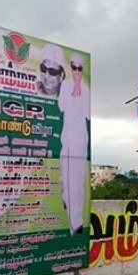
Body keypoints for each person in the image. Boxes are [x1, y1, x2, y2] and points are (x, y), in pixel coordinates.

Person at [58, 52, 90, 236]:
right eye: (74, 67)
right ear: (70, 68)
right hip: (68, 139)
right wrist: (73, 90)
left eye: (80, 68)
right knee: (69, 178)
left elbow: (87, 113)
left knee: (77, 181)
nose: (77, 71)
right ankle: (74, 221)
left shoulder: (86, 89)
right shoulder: (65, 86)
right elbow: (62, 106)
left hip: (81, 141)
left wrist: (80, 89)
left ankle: (76, 219)